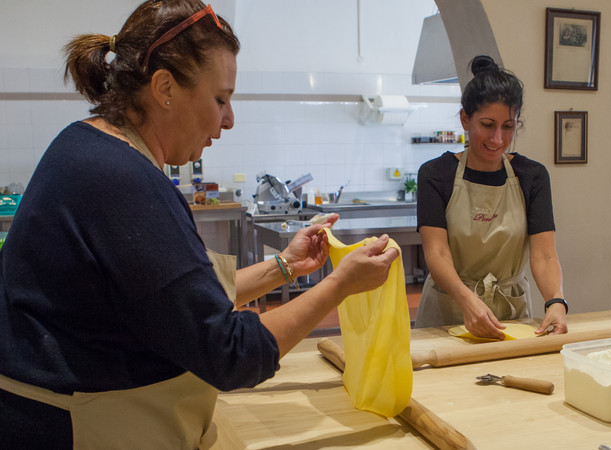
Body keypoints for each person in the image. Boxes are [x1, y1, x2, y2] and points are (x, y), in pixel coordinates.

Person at [0, 1, 397, 448]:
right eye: (220, 99)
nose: (229, 119)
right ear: (165, 88)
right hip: (81, 425)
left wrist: (285, 266)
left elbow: (175, 297)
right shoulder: (120, 179)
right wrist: (340, 285)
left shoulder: (89, 146)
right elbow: (227, 353)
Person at [414, 55, 568, 340]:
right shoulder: (436, 175)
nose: (498, 139)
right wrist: (466, 299)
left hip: (512, 318)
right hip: (448, 312)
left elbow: (545, 255)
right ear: (465, 119)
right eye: (487, 125)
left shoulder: (532, 176)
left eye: (508, 127)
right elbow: (436, 253)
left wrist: (556, 301)